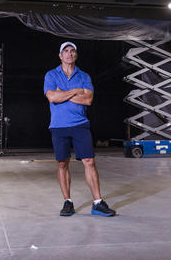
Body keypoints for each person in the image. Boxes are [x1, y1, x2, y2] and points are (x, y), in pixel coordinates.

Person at [43, 41, 116, 217]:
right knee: (62, 163)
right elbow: (52, 97)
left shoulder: (84, 76)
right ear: (60, 56)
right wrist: (76, 91)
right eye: (66, 51)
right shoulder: (51, 75)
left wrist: (63, 93)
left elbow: (88, 100)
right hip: (59, 125)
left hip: (79, 124)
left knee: (89, 161)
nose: (69, 54)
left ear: (76, 55)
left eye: (72, 51)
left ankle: (97, 203)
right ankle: (67, 202)